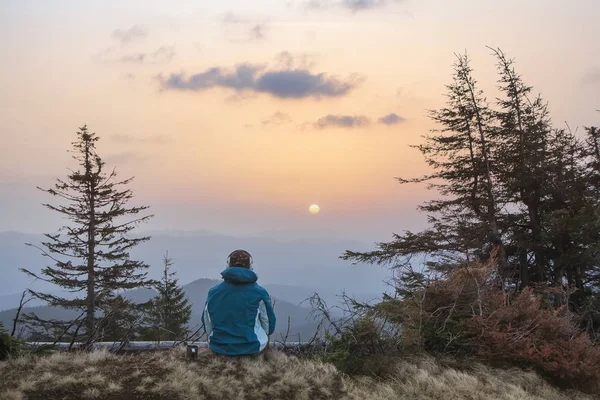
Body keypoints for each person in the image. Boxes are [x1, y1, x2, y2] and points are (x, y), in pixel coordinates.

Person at [201, 249, 276, 356]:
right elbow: (269, 326)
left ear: (227, 266)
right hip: (252, 347)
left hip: (219, 347)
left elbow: (207, 325)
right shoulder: (260, 293)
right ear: (251, 267)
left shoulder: (213, 292)